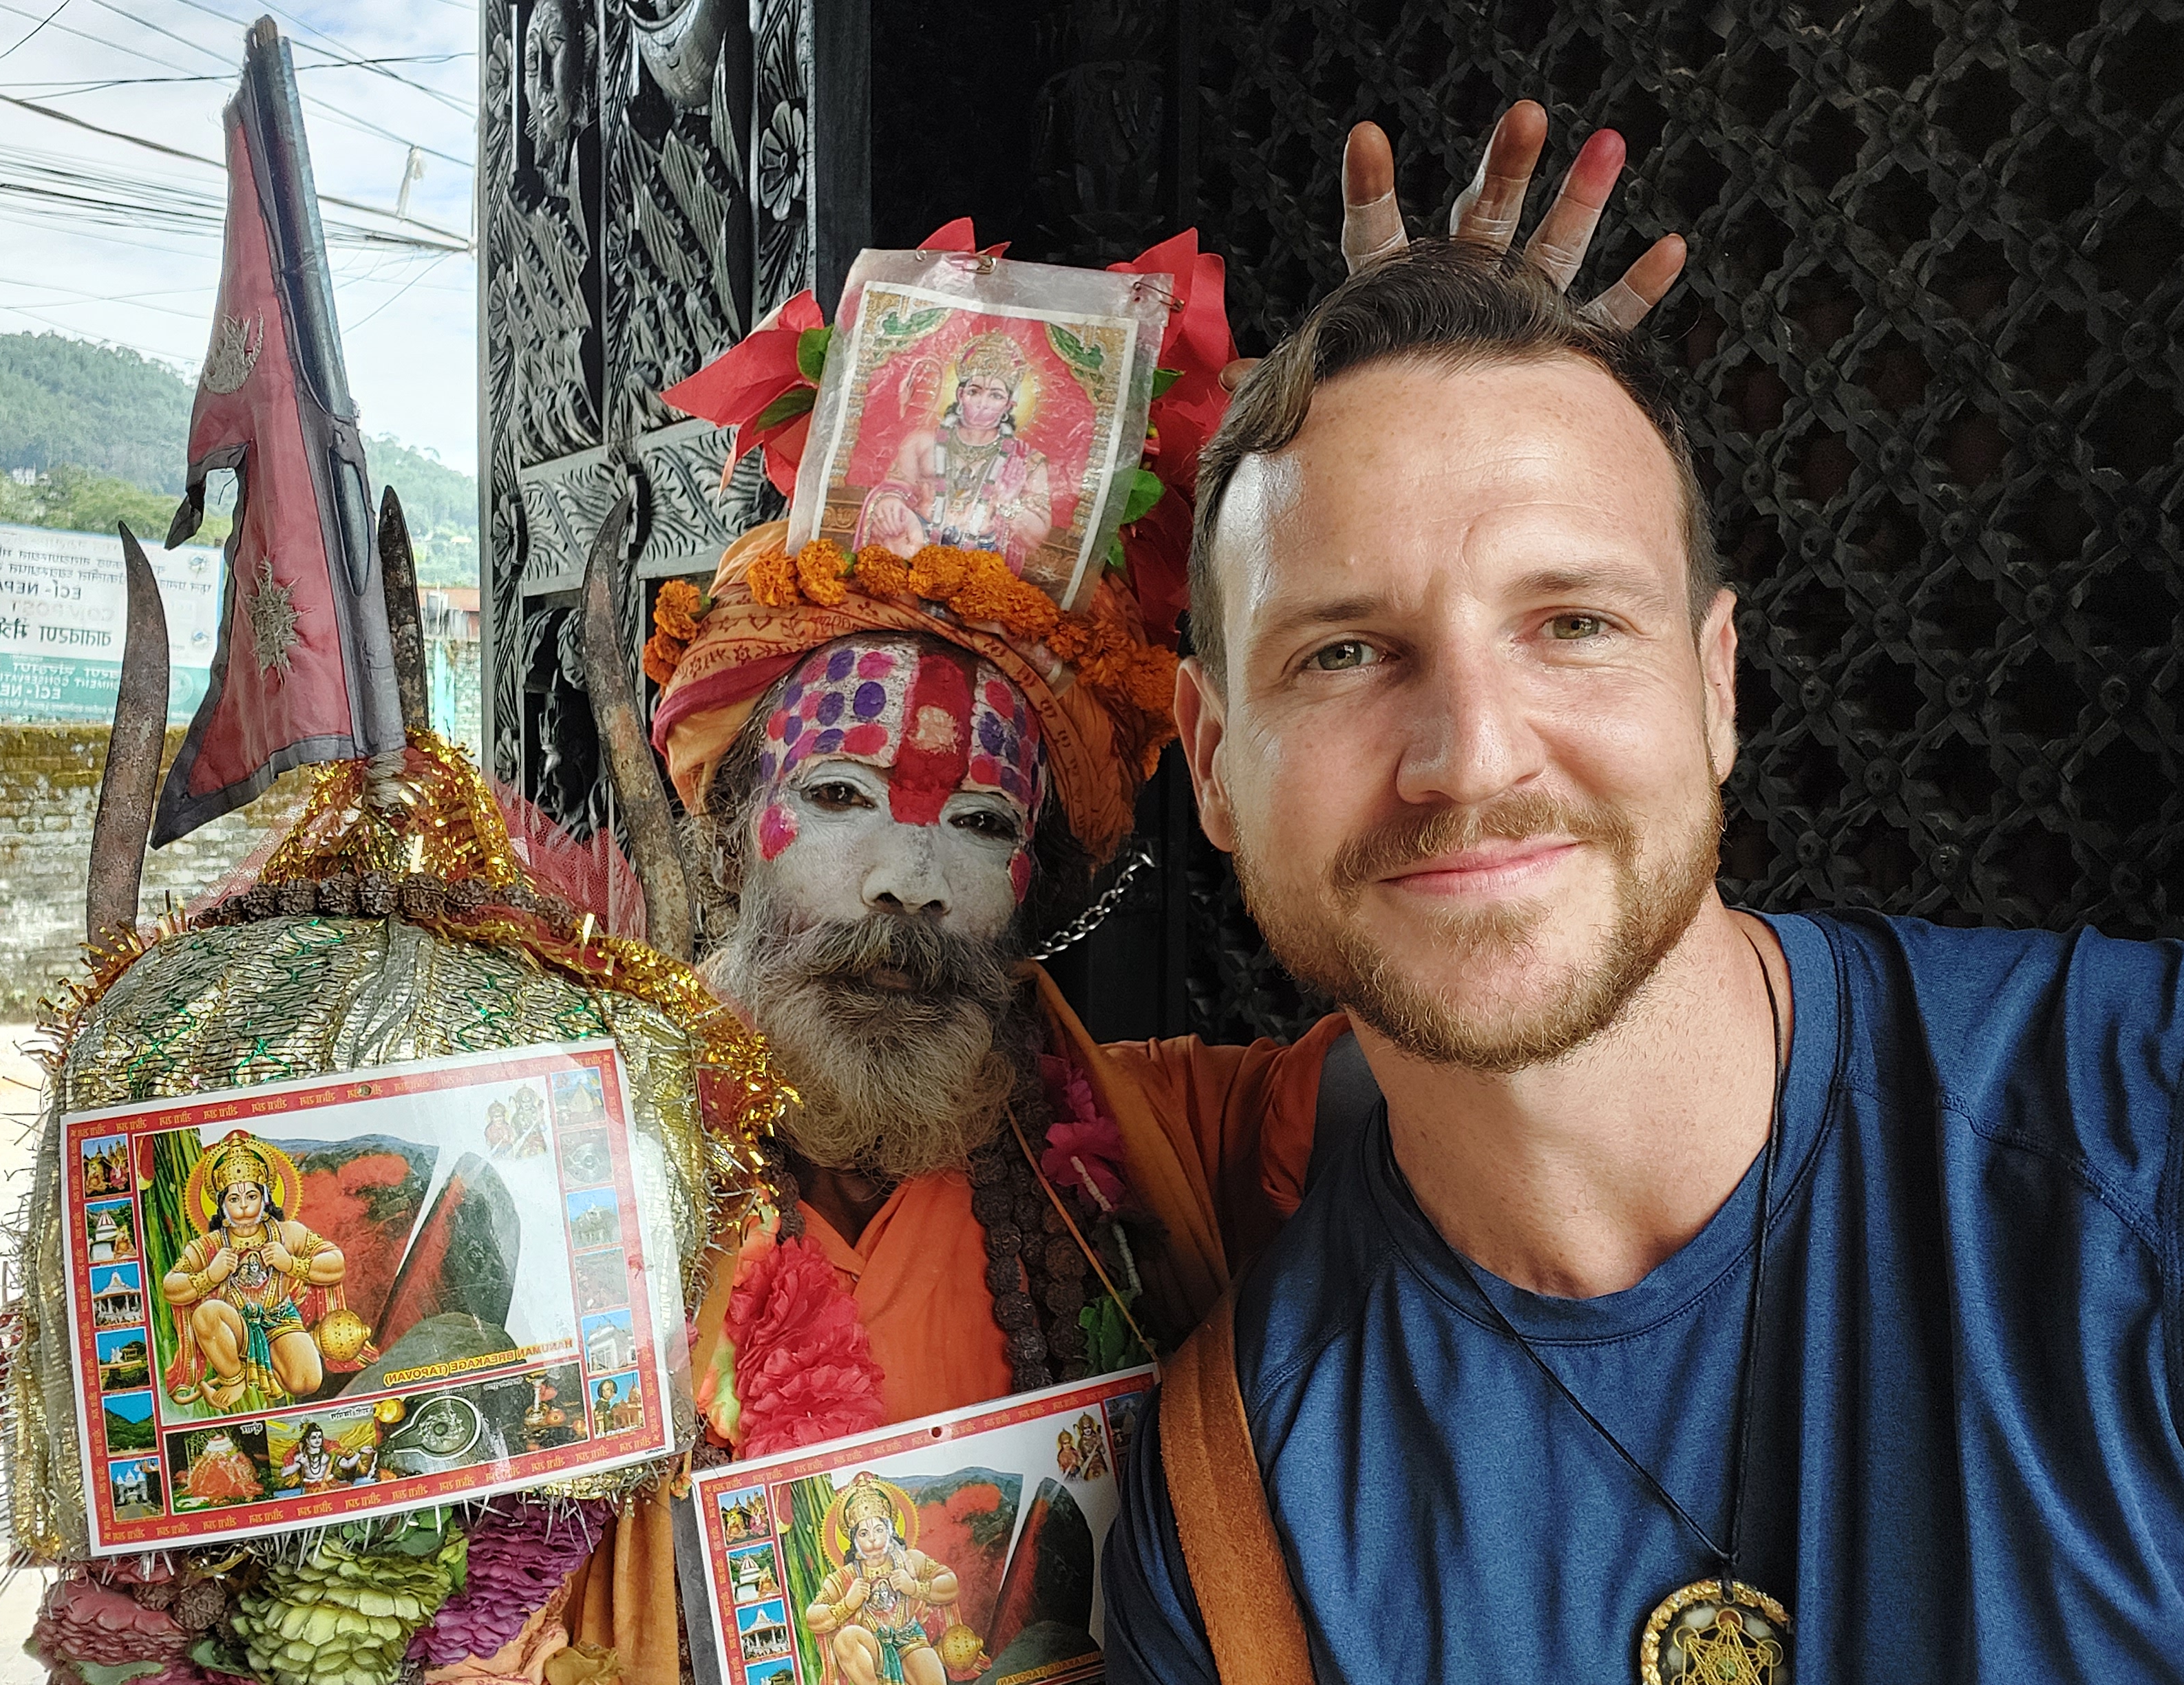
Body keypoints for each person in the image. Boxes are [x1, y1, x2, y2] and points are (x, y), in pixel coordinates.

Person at [563, 100, 1688, 1685]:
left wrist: (1465, 442)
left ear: (1034, 883)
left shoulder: (1181, 1147)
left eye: (976, 823)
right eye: (839, 799)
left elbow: (1517, 1031)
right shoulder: (559, 1186)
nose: (908, 883)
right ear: (732, 825)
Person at [1097, 235, 2184, 1679]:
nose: (1471, 757)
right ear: (1211, 762)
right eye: (1343, 652)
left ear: (1715, 685)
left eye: (1573, 624)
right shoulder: (1232, 1513)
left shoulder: (2137, 1134)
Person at [160, 1130, 348, 1412]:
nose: (244, 1206)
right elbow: (171, 1286)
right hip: (235, 1325)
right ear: (222, 1205)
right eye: (234, 1199)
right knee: (207, 1313)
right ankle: (234, 1376)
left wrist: (291, 1264)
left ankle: (264, 1365)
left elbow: (336, 1262)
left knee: (307, 1381)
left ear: (265, 1198)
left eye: (251, 1196)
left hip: (280, 1320)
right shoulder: (209, 1245)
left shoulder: (288, 1233)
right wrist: (210, 1276)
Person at [857, 330, 1055, 569]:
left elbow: (1036, 535)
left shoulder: (1027, 462)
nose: (982, 403)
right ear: (961, 395)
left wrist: (1007, 504)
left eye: (995, 395)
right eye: (974, 391)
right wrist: (890, 503)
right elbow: (893, 488)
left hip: (981, 564)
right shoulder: (921, 442)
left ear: (1009, 405)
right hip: (913, 548)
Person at [805, 1475, 962, 1685]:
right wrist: (847, 1605)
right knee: (846, 1638)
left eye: (879, 1530)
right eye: (863, 1533)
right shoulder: (845, 1577)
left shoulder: (910, 1560)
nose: (872, 1539)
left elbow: (951, 1584)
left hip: (910, 1640)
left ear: (890, 1531)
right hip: (872, 1648)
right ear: (854, 1540)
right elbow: (812, 1617)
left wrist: (915, 1587)